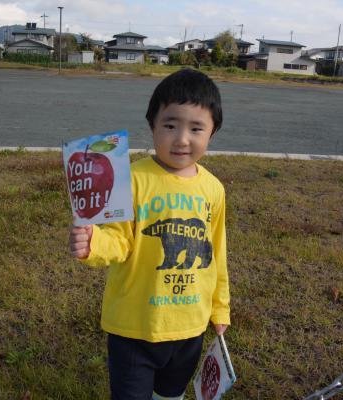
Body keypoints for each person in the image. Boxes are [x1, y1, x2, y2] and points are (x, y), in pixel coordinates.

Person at [69, 68, 230, 400]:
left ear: (212, 133)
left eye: (196, 128)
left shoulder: (213, 189)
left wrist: (220, 308)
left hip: (190, 326)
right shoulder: (130, 178)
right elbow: (119, 239)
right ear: (152, 126)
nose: (182, 138)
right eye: (170, 125)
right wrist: (93, 242)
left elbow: (216, 252)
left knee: (171, 395)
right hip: (135, 327)